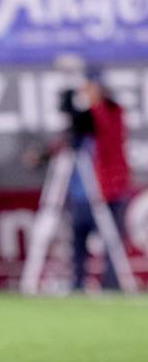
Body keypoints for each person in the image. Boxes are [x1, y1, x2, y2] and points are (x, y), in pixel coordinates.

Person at [61, 67, 131, 290]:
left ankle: (112, 285)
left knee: (112, 241)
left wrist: (92, 102)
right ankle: (77, 284)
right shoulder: (88, 117)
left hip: (110, 188)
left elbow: (106, 130)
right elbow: (73, 134)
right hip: (84, 191)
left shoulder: (112, 111)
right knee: (78, 240)